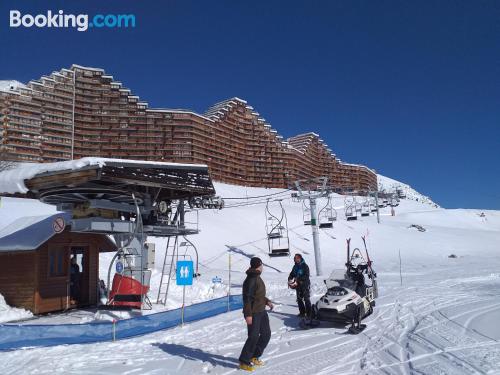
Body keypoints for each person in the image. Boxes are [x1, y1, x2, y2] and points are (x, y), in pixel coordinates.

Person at [238, 257, 273, 372]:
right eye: (261, 265)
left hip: (261, 311)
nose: (262, 267)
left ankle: (254, 356)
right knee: (253, 337)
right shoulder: (251, 279)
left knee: (266, 334)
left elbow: (258, 295)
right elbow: (247, 298)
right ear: (258, 266)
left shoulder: (256, 277)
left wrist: (266, 301)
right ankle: (244, 361)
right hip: (253, 313)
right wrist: (248, 315)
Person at [288, 253, 311, 318]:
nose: (295, 259)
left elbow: (306, 276)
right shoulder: (295, 266)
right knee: (299, 299)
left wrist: (298, 278)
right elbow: (292, 274)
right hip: (297, 285)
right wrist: (290, 278)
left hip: (305, 284)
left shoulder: (305, 266)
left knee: (306, 299)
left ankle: (309, 314)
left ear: (300, 258)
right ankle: (302, 313)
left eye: (296, 258)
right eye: (294, 258)